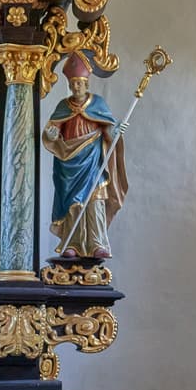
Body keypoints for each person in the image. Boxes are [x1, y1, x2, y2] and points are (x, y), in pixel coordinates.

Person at [42, 52, 130, 258]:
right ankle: (73, 243)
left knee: (95, 199)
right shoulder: (63, 107)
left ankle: (97, 242)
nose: (76, 87)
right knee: (73, 203)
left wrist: (115, 132)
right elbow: (51, 131)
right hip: (68, 163)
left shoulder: (97, 104)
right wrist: (52, 134)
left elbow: (107, 130)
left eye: (80, 83)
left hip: (92, 161)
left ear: (87, 84)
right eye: (73, 84)